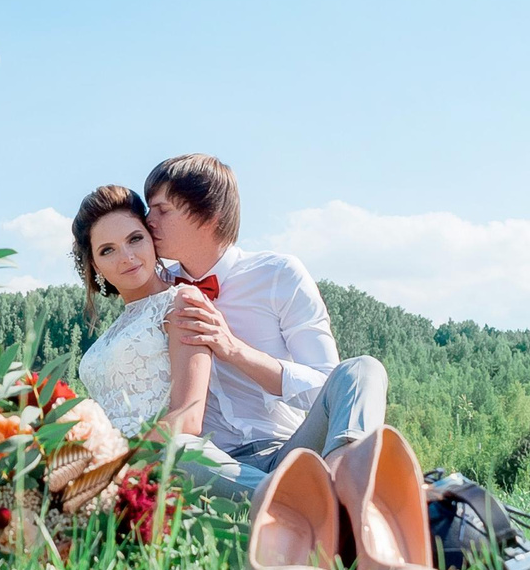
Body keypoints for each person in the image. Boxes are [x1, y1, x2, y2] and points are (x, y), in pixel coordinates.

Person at [143, 153, 389, 499]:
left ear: (209, 214)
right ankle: (317, 506)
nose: (148, 220)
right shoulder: (158, 291)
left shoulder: (279, 275)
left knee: (363, 370)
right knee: (177, 450)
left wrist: (234, 350)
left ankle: (345, 489)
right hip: (219, 467)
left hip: (296, 451)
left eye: (161, 210)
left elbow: (326, 388)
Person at [69, 185, 265, 494]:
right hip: (114, 468)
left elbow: (187, 418)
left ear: (152, 241)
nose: (127, 257)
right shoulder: (113, 332)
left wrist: (117, 460)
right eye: (108, 250)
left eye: (135, 239)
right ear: (95, 267)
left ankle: (293, 501)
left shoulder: (181, 301)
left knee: (182, 451)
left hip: (170, 458)